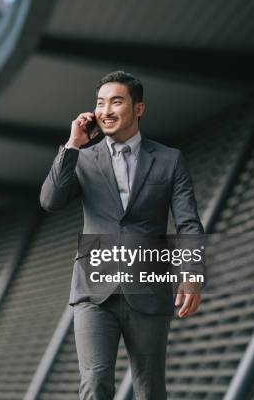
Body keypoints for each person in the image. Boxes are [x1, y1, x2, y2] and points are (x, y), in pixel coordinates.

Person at [39, 71, 205, 399]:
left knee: (150, 387)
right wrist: (72, 145)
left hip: (148, 287)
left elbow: (188, 224)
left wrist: (192, 275)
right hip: (93, 290)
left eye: (116, 101)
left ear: (138, 108)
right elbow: (50, 200)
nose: (106, 110)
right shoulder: (82, 159)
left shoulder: (170, 160)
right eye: (100, 103)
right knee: (96, 381)